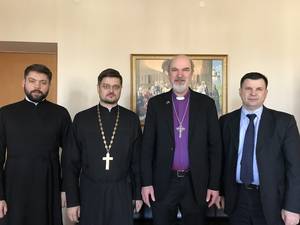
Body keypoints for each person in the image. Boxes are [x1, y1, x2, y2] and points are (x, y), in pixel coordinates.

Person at [141, 55, 222, 225]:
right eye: (175, 70)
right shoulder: (155, 104)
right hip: (163, 183)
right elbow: (147, 147)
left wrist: (214, 185)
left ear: (191, 73)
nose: (180, 74)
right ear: (168, 74)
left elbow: (215, 148)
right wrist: (146, 183)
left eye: (185, 69)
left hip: (196, 183)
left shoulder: (206, 104)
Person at [219, 72, 300, 225]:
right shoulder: (226, 121)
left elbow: (295, 168)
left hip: (272, 201)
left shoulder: (284, 122)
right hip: (236, 199)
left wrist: (293, 207)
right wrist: (222, 192)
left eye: (259, 89)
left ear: (266, 93)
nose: (253, 93)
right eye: (248, 88)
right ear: (240, 92)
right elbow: (222, 160)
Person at [64, 68, 143, 225]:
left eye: (116, 87)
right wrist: (72, 201)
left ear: (121, 88)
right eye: (106, 86)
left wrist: (137, 195)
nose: (111, 91)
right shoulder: (81, 119)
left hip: (121, 191)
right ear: (98, 88)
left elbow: (137, 162)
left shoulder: (131, 119)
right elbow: (70, 163)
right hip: (90, 191)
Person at [0, 64, 71, 225]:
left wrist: (65, 189)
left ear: (49, 85)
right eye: (32, 81)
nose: (37, 86)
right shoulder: (5, 113)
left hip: (49, 186)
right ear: (23, 82)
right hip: (14, 186)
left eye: (43, 82)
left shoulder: (61, 114)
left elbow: (69, 156)